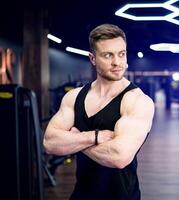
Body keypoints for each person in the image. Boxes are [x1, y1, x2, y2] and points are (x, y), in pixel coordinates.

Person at [43, 24, 155, 200]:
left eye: (121, 54)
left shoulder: (137, 101)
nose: (117, 62)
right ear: (93, 58)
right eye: (108, 55)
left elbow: (119, 157)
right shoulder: (74, 97)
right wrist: (94, 137)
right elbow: (50, 143)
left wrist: (75, 138)